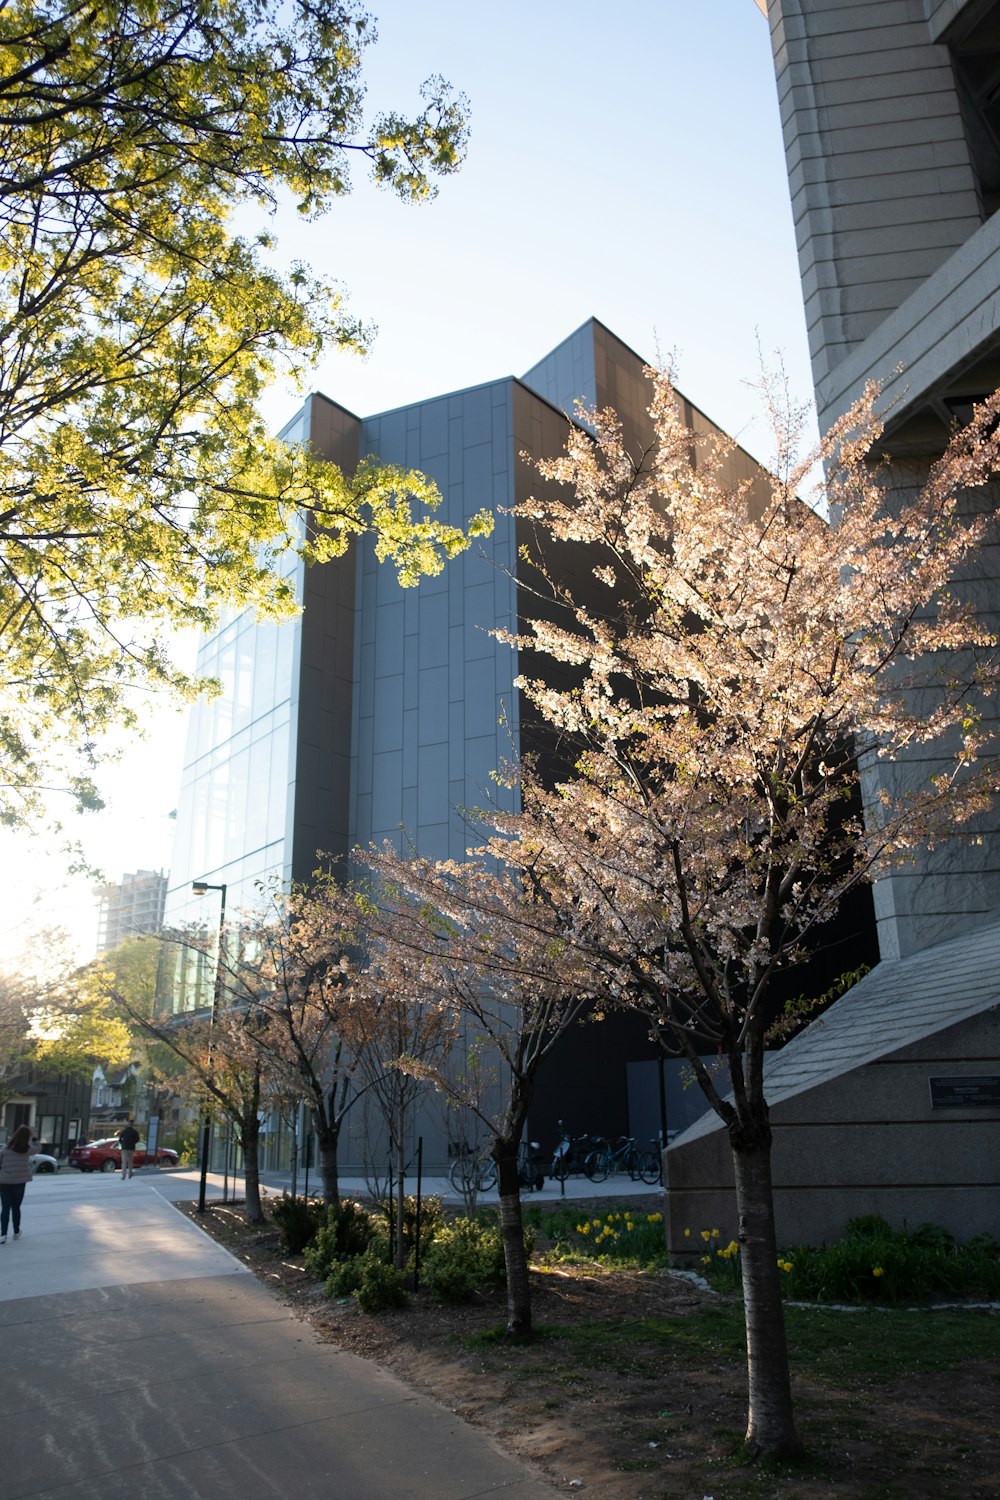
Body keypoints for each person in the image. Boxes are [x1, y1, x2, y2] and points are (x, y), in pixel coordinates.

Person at [0, 1124, 40, 1243]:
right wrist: (34, 1137)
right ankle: (16, 1232)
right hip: (19, 1182)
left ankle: (3, 1235)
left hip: (4, 1182)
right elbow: (38, 1148)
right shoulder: (27, 1150)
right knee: (16, 1207)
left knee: (5, 1208)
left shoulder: (5, 1149)